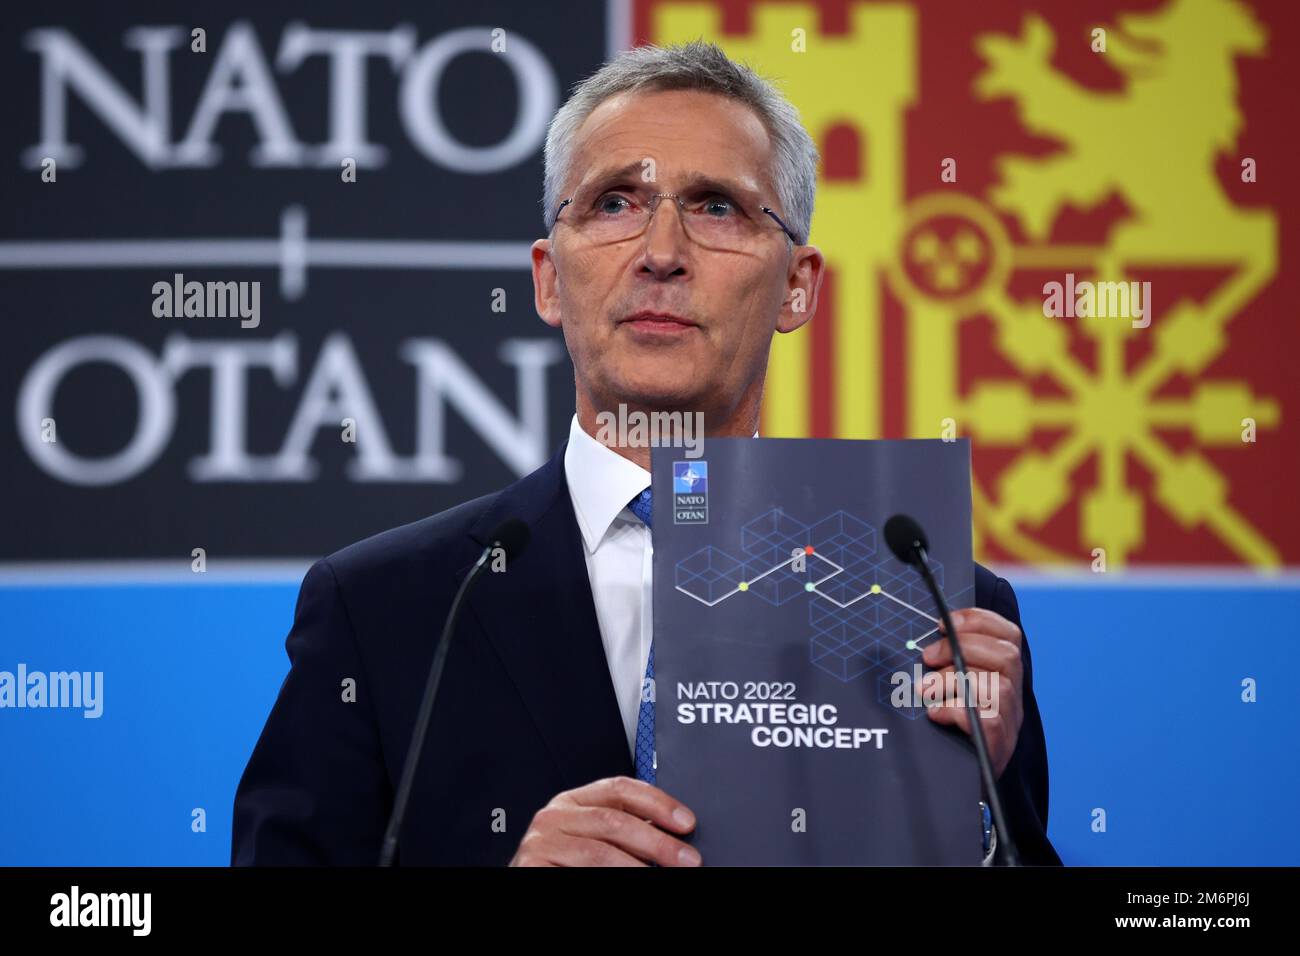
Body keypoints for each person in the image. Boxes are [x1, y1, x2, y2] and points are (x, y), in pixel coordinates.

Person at [231, 40, 1061, 867]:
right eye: (615, 203)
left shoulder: (934, 606)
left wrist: (978, 822)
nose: (661, 253)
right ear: (550, 279)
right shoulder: (389, 610)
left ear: (798, 286)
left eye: (716, 208)